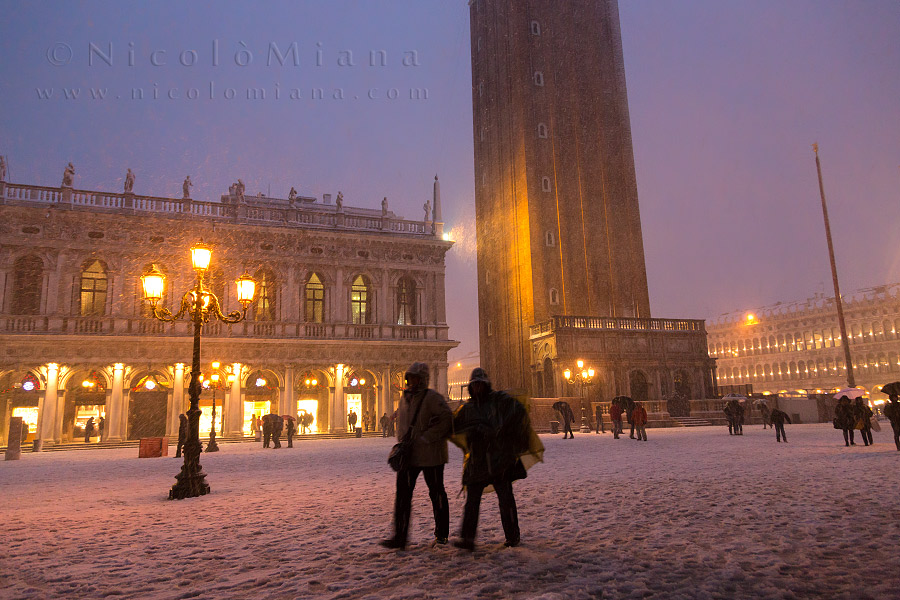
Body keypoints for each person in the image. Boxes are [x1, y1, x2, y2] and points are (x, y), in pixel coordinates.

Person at [451, 368, 535, 551]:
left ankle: (512, 536)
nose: (478, 388)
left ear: (486, 385)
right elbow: (454, 426)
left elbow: (518, 413)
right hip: (477, 461)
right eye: (475, 385)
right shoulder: (468, 408)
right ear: (471, 387)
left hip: (499, 460)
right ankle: (467, 539)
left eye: (480, 384)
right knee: (472, 501)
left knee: (505, 499)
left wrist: (499, 432)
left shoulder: (500, 401)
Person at [380, 362, 452, 550]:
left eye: (415, 378)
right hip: (409, 455)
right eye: (409, 378)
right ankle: (400, 536)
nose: (411, 381)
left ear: (423, 380)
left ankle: (442, 534)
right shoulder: (404, 399)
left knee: (436, 494)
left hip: (431, 455)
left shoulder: (433, 398)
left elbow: (447, 421)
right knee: (402, 496)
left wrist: (426, 438)